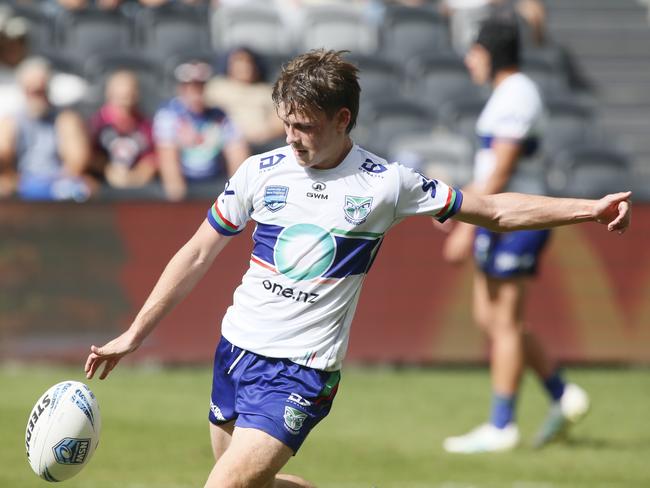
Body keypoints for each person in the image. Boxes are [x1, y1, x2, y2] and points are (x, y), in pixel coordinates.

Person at [84, 49, 631, 486]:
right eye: (286, 123)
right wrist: (136, 333)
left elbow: (493, 210)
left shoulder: (386, 183)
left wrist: (587, 209)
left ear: (342, 119)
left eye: (304, 125)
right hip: (235, 352)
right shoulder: (259, 172)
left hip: (301, 371)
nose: (292, 137)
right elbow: (197, 252)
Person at [441, 19, 589, 454]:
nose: (469, 60)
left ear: (490, 53)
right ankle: (564, 394)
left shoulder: (517, 94)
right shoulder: (506, 95)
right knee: (492, 320)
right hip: (499, 218)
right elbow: (490, 168)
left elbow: (503, 169)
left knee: (504, 323)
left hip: (517, 219)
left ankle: (502, 426)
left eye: (474, 52)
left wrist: (466, 228)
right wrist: (459, 202)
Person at [153, 60, 250, 201]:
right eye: (190, 86)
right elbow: (168, 161)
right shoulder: (168, 115)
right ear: (181, 88)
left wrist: (237, 196)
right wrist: (178, 200)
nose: (196, 92)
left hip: (216, 183)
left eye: (200, 86)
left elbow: (237, 155)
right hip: (184, 186)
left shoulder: (221, 116)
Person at [0, 57, 93, 201]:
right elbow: (4, 156)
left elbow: (77, 160)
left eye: (41, 88)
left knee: (86, 189)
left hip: (59, 183)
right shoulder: (10, 122)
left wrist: (60, 180)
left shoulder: (65, 119)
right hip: (21, 182)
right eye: (32, 88)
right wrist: (12, 178)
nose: (37, 92)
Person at [205, 46, 286, 154]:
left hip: (264, 142)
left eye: (249, 62)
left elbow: (280, 119)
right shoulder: (217, 87)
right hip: (226, 142)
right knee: (236, 146)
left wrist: (264, 134)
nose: (245, 66)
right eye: (239, 61)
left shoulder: (267, 91)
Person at [90, 70, 157, 189]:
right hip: (102, 187)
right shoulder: (97, 124)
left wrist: (138, 175)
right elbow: (89, 156)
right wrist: (107, 169)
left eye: (128, 96)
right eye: (119, 97)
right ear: (109, 94)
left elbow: (152, 158)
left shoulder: (145, 125)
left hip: (138, 190)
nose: (124, 102)